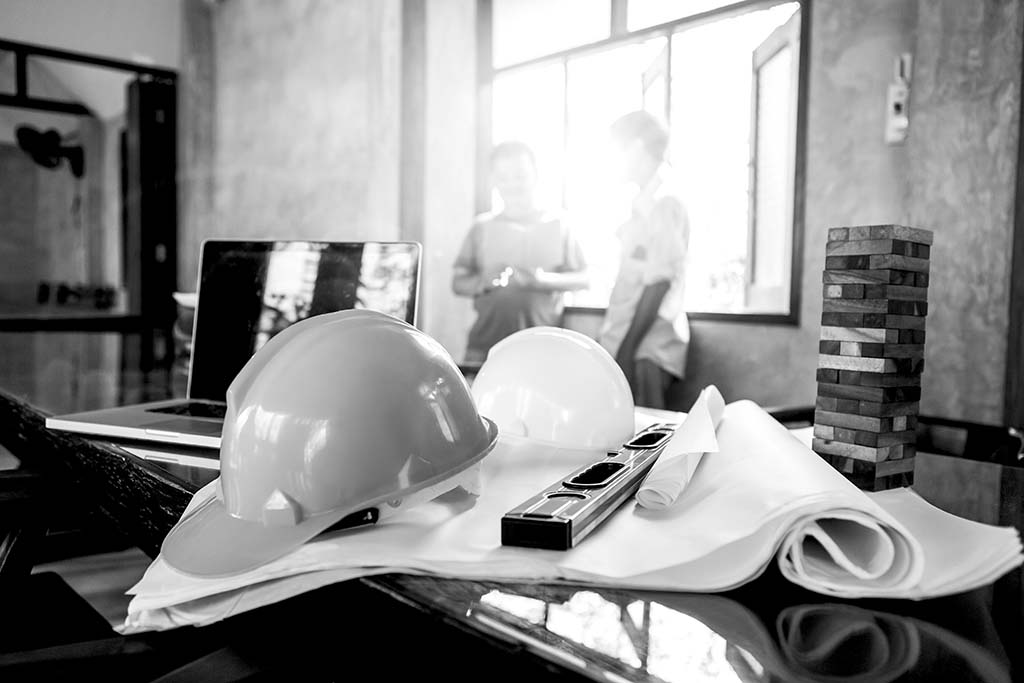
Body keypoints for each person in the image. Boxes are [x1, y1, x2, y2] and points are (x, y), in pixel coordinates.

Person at [452, 141, 589, 364]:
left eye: (520, 175)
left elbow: (584, 278)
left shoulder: (560, 225)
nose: (512, 184)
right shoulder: (481, 227)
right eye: (503, 178)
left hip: (543, 349)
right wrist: (482, 282)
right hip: (484, 347)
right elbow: (457, 283)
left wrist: (542, 280)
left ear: (535, 175)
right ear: (494, 182)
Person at [599, 111, 690, 409]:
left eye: (615, 148)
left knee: (646, 437)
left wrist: (628, 350)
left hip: (646, 348)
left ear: (636, 147)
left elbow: (659, 282)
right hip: (630, 339)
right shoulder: (641, 202)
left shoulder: (664, 201)